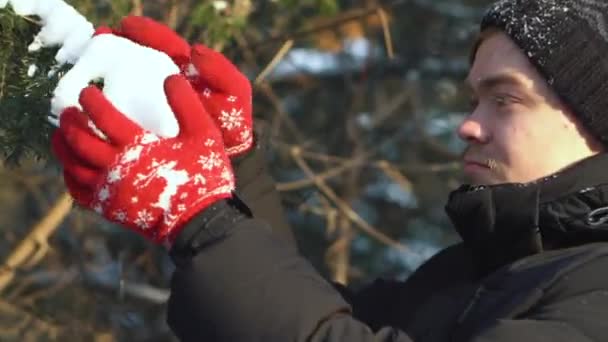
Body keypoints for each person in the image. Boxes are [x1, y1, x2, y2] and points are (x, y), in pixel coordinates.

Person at [51, 0, 608, 341]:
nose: (468, 125)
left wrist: (201, 220)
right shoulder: (473, 271)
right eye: (472, 101)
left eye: (504, 100)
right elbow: (321, 317)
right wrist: (231, 171)